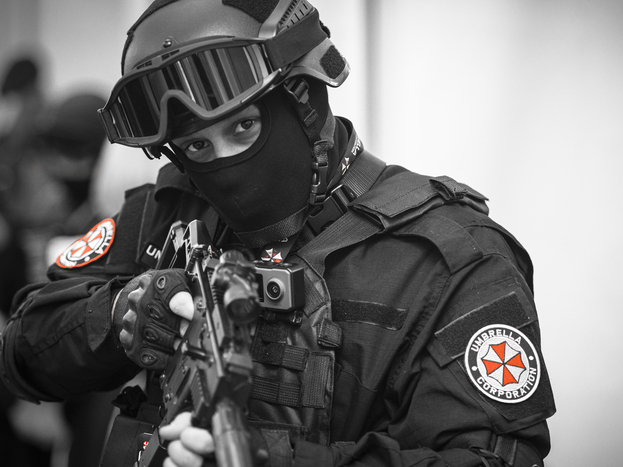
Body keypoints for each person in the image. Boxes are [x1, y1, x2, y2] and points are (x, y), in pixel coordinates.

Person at [0, 1, 556, 466]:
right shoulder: (169, 213)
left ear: (305, 100)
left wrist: (276, 460)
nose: (223, 164)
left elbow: (492, 459)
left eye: (244, 126)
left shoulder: (449, 256)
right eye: (197, 146)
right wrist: (124, 313)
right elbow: (23, 348)